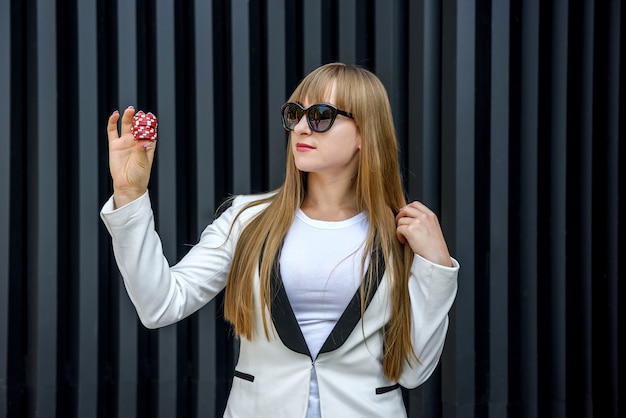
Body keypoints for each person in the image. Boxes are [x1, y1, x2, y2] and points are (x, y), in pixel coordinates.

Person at [101, 62, 459, 418]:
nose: (302, 128)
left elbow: (415, 371)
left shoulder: (403, 233)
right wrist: (129, 196)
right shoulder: (247, 219)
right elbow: (159, 305)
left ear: (365, 133)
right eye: (295, 114)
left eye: (321, 115)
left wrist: (437, 266)